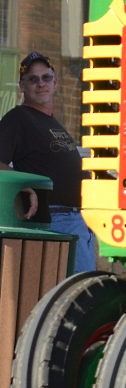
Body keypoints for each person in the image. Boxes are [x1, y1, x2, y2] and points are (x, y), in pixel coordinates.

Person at [0, 51, 97, 273]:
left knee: (83, 295)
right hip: (54, 220)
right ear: (21, 86)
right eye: (32, 79)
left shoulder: (51, 122)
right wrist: (24, 184)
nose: (40, 84)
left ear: (56, 83)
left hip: (77, 221)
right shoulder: (18, 119)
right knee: (78, 299)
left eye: (45, 77)